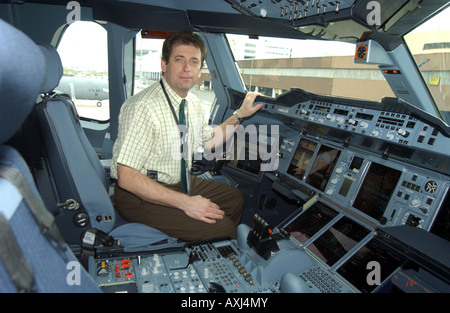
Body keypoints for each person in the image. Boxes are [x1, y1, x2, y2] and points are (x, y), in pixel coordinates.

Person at [110, 31, 262, 242]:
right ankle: (215, 247)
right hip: (138, 196)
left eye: (194, 62)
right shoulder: (143, 107)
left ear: (200, 70)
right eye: (179, 59)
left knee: (234, 198)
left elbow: (209, 141)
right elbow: (127, 177)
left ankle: (207, 246)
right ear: (164, 65)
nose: (186, 68)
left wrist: (239, 115)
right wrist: (186, 203)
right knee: (223, 228)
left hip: (178, 182)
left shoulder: (192, 103)